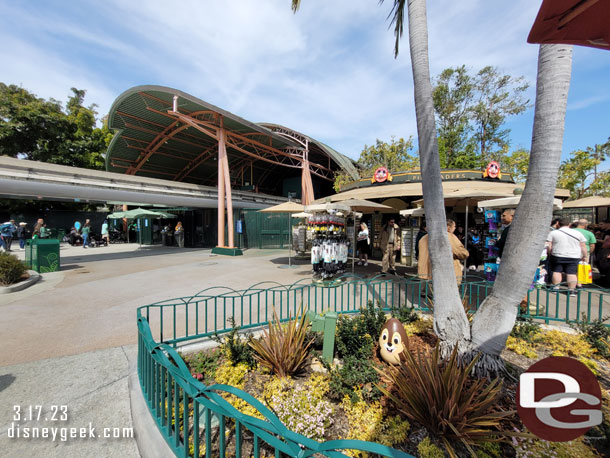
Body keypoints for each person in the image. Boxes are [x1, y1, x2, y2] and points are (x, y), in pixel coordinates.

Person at [418, 219, 469, 285]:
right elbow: (462, 253)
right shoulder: (449, 236)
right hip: (446, 274)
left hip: (426, 274)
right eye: (454, 226)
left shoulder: (424, 238)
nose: (455, 228)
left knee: (430, 293)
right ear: (448, 228)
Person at [547, 217, 587, 296]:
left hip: (557, 254)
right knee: (571, 273)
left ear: (558, 223)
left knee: (557, 271)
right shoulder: (577, 233)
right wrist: (584, 256)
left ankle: (555, 288)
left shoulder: (553, 233)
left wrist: (549, 253)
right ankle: (571, 290)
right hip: (574, 255)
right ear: (569, 224)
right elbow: (583, 246)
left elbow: (549, 245)